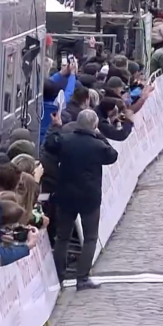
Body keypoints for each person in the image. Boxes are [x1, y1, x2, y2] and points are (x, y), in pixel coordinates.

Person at [45, 109, 118, 290]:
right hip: (89, 197)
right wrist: (99, 134)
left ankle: (59, 277)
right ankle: (82, 278)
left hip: (65, 195)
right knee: (90, 237)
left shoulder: (65, 140)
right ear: (94, 125)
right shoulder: (97, 145)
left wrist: (55, 127)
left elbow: (49, 145)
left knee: (62, 238)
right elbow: (112, 155)